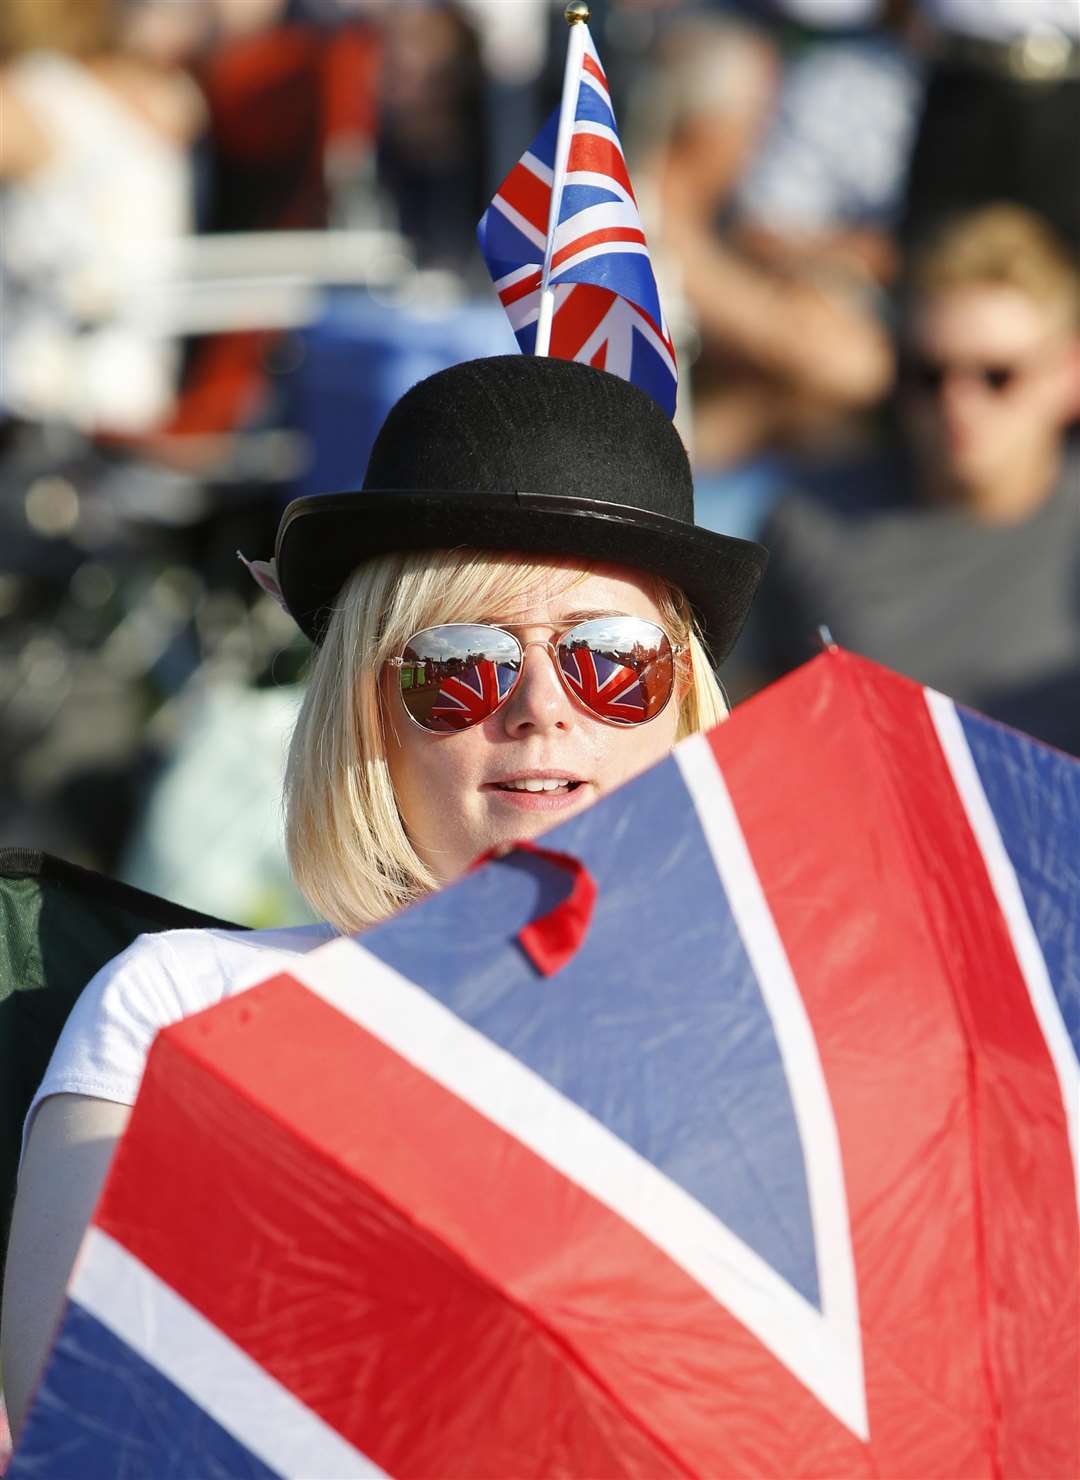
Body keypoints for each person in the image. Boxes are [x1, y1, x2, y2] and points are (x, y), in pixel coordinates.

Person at [0, 353, 768, 1436]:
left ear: (679, 705)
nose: (544, 708)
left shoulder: (791, 1044)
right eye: (460, 663)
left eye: (613, 660)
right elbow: (80, 1425)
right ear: (367, 712)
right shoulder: (182, 1011)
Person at [749, 204, 1080, 752]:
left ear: (1069, 375)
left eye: (998, 376)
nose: (958, 403)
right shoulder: (809, 524)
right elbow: (742, 730)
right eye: (929, 375)